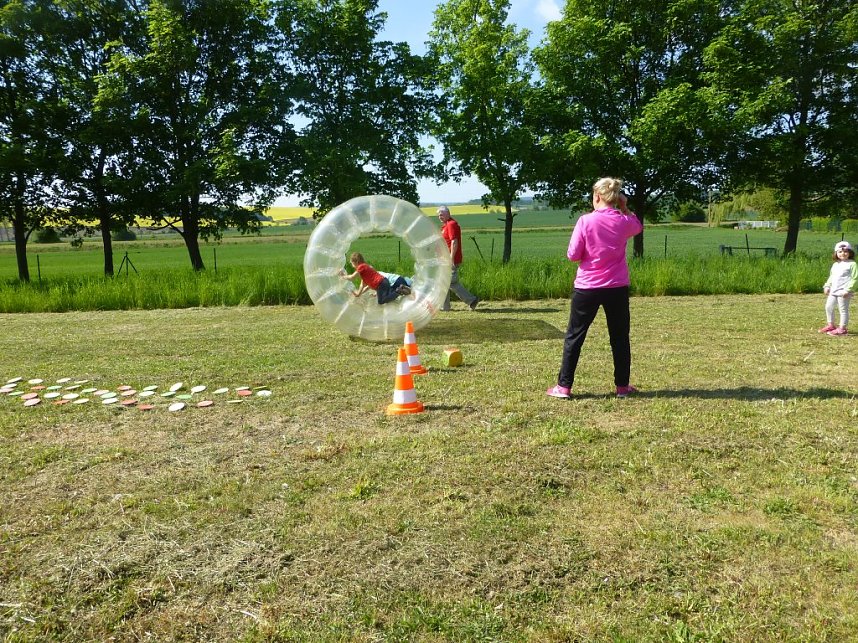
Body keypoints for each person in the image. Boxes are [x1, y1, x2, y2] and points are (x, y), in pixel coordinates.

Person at [547, 177, 643, 400]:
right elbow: (637, 226)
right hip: (617, 287)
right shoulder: (623, 221)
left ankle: (564, 387)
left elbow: (573, 255)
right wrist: (625, 207)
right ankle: (622, 387)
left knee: (575, 336)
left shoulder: (585, 221)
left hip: (587, 287)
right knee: (619, 337)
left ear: (597, 196)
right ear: (615, 198)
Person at [437, 205, 479, 311]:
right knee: (444, 282)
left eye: (441, 214)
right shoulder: (445, 226)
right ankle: (445, 307)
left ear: (448, 214)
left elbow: (454, 242)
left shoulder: (451, 224)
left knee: (450, 282)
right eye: (439, 215)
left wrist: (451, 259)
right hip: (444, 259)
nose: (440, 217)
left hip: (451, 260)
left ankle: (472, 300)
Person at [339, 252, 411, 304]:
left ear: (357, 262)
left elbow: (352, 277)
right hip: (383, 282)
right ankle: (400, 289)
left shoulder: (361, 266)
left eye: (352, 263)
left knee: (381, 301)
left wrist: (342, 276)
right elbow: (362, 285)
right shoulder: (365, 272)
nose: (352, 265)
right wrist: (358, 294)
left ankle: (398, 291)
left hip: (381, 283)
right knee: (386, 296)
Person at [819, 240, 857, 336]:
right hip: (833, 290)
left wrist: (848, 290)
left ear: (850, 253)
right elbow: (832, 276)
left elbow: (855, 278)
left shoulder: (852, 264)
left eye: (845, 251)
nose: (843, 253)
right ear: (836, 253)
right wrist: (827, 285)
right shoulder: (835, 264)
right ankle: (831, 325)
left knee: (843, 309)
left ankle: (842, 329)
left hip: (844, 292)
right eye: (840, 252)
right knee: (828, 307)